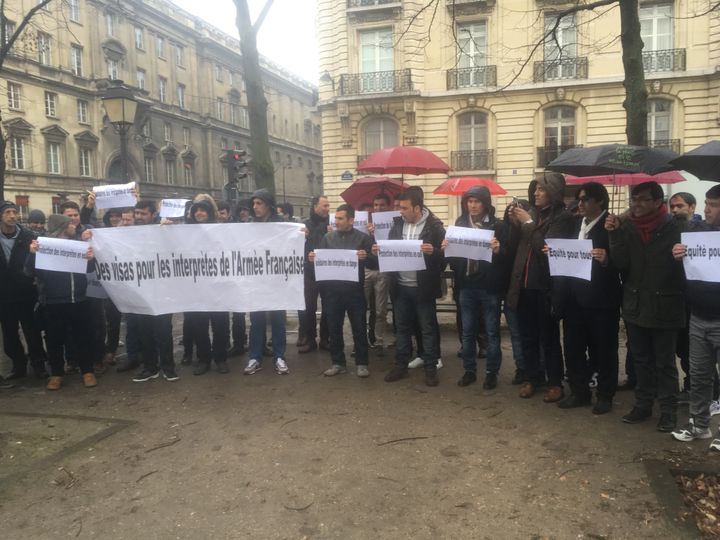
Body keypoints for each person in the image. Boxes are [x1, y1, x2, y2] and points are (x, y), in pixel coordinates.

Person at [605, 181, 686, 432]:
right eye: (633, 199)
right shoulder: (627, 227)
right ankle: (643, 404)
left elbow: (690, 266)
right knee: (641, 359)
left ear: (657, 201)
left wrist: (682, 254)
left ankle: (669, 410)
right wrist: (614, 234)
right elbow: (620, 264)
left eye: (641, 199)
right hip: (635, 303)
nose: (635, 204)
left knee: (664, 362)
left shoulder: (677, 226)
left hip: (666, 304)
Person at [552, 183, 621, 415]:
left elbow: (624, 260)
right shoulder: (575, 223)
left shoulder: (612, 225)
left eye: (584, 199)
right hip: (573, 299)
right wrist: (554, 253)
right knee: (573, 348)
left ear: (599, 201)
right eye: (579, 199)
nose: (579, 204)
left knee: (604, 350)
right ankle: (579, 391)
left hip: (601, 300)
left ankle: (605, 394)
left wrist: (607, 259)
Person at [506, 172, 575, 402]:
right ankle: (531, 378)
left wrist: (526, 223)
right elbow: (517, 247)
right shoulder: (533, 214)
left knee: (549, 338)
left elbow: (544, 251)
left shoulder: (563, 218)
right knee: (527, 337)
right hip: (523, 286)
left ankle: (555, 383)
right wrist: (516, 225)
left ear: (554, 193)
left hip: (545, 287)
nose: (536, 193)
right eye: (535, 189)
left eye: (541, 189)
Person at [374, 187, 445, 387]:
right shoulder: (396, 226)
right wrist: (378, 251)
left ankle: (430, 367)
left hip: (423, 288)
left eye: (404, 208)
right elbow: (389, 252)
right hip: (401, 288)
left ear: (417, 208)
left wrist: (434, 252)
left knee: (427, 329)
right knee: (402, 329)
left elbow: (446, 258)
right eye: (400, 208)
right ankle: (400, 365)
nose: (401, 211)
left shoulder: (435, 227)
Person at [671, 183, 720, 451]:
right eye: (706, 203)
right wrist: (679, 255)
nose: (706, 209)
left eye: (712, 205)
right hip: (698, 316)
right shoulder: (698, 232)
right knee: (700, 376)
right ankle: (699, 425)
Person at [443, 186, 505, 389]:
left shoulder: (498, 225)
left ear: (486, 203)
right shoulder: (460, 224)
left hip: (489, 288)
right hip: (466, 286)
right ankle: (469, 371)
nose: (473, 205)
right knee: (467, 333)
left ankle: (491, 373)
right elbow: (453, 259)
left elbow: (507, 257)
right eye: (469, 201)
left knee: (492, 332)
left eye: (477, 201)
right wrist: (447, 248)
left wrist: (498, 250)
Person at [27, 214, 96, 390]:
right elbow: (29, 271)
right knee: (54, 339)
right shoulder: (43, 246)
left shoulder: (77, 245)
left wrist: (90, 259)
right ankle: (56, 373)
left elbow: (89, 268)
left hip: (79, 299)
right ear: (62, 227)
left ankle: (87, 371)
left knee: (83, 336)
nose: (74, 226)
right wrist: (33, 254)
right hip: (53, 302)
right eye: (70, 224)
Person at [309, 204, 374, 377]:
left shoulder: (363, 238)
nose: (336, 222)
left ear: (351, 220)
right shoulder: (328, 238)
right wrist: (312, 258)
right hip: (332, 292)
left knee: (359, 328)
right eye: (335, 218)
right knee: (334, 328)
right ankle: (338, 362)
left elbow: (375, 263)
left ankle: (362, 363)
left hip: (355, 292)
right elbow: (320, 261)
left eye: (340, 218)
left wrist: (366, 256)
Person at [130, 200, 178, 383]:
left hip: (162, 291)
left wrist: (169, 229)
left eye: (143, 213)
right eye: (137, 213)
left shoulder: (163, 230)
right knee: (144, 331)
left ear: (152, 214)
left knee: (164, 331)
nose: (139, 217)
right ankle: (150, 368)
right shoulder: (127, 233)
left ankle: (168, 367)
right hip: (141, 291)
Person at [244, 189, 290, 375]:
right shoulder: (248, 225)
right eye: (253, 204)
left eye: (259, 203)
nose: (255, 207)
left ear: (268, 205)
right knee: (257, 320)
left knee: (278, 319)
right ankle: (255, 357)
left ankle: (279, 356)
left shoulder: (282, 224)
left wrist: (302, 233)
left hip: (276, 280)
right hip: (257, 280)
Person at [0, 201, 47, 381]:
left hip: (26, 293)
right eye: (8, 213)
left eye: (15, 212)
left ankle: (39, 364)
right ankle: (18, 365)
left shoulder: (29, 236)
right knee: (10, 334)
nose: (13, 216)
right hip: (4, 296)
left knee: (32, 331)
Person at [185, 199, 230, 376]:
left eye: (203, 210)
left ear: (210, 213)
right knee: (199, 326)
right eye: (196, 210)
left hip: (218, 286)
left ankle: (220, 359)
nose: (199, 213)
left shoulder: (221, 231)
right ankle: (204, 359)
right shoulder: (185, 231)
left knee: (220, 325)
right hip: (197, 287)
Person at [298, 195, 330, 354]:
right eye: (324, 205)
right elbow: (296, 247)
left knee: (328, 307)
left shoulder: (332, 224)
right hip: (309, 272)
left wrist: (332, 234)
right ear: (315, 206)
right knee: (308, 307)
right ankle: (310, 340)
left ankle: (325, 339)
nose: (327, 209)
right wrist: (301, 236)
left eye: (328, 206)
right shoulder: (304, 224)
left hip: (327, 271)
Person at [364, 194, 392, 355]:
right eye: (375, 205)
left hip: (383, 269)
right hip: (367, 269)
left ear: (387, 207)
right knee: (361, 308)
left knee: (381, 310)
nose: (378, 208)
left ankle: (379, 340)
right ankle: (361, 341)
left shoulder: (393, 224)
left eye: (381, 205)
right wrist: (370, 235)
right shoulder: (366, 225)